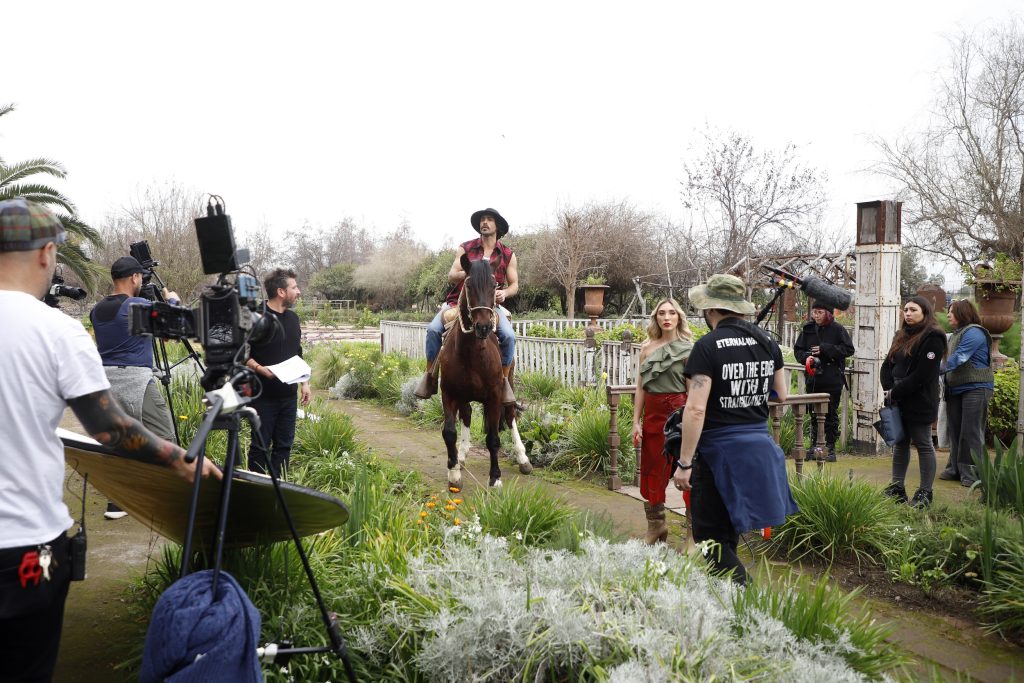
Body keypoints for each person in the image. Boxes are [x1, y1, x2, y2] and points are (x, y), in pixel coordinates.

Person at [0, 198, 220, 682]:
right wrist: (180, 460)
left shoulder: (97, 312)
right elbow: (111, 430)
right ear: (46, 254)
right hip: (24, 550)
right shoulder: (55, 330)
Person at [672, 274, 797, 585]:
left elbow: (696, 408)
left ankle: (747, 598)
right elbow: (781, 395)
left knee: (709, 539)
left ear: (710, 309)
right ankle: (728, 603)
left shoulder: (707, 346)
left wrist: (684, 463)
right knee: (728, 534)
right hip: (758, 449)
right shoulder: (768, 342)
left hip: (720, 454)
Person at [90, 255, 180, 519]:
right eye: (140, 277)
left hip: (106, 381)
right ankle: (167, 495)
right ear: (134, 278)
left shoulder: (96, 310)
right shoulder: (137, 305)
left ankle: (117, 503)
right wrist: (171, 299)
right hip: (136, 380)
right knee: (165, 436)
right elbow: (172, 324)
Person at [414, 208, 519, 404]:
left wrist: (504, 293)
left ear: (498, 226)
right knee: (433, 330)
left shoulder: (507, 254)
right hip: (458, 303)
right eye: (482, 220)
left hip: (489, 307)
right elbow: (452, 275)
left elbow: (515, 285)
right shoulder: (466, 248)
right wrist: (473, 273)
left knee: (509, 336)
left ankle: (504, 381)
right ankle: (430, 376)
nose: (484, 222)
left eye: (489, 220)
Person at [631, 299, 694, 544]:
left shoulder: (688, 349)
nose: (666, 317)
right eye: (661, 313)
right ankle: (656, 527)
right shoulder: (646, 347)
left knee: (687, 468)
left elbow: (692, 390)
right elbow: (640, 387)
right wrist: (636, 421)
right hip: (653, 416)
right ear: (656, 318)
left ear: (679, 317)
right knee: (651, 469)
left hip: (679, 413)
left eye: (671, 313)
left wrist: (691, 421)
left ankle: (692, 533)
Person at [880, 296, 947, 508]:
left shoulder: (933, 337)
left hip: (920, 398)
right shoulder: (900, 335)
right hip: (898, 396)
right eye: (906, 310)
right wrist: (888, 387)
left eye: (913, 310)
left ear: (924, 312)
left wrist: (896, 391)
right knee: (900, 443)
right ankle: (897, 488)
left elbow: (923, 375)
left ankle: (925, 493)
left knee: (923, 443)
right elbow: (887, 365)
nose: (908, 313)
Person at [245, 267, 311, 477]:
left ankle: (277, 491)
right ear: (281, 292)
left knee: (284, 446)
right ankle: (256, 491)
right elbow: (240, 353)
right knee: (260, 447)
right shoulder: (255, 317)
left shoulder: (293, 319)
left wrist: (305, 382)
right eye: (294, 287)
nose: (298, 291)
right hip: (262, 396)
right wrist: (258, 368)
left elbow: (296, 352)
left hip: (288, 397)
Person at [938, 299, 994, 487]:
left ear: (963, 313)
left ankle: (972, 474)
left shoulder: (975, 332)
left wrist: (930, 370)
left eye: (952, 312)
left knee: (970, 432)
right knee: (955, 430)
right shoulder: (955, 334)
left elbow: (959, 357)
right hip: (955, 388)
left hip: (976, 387)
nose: (948, 315)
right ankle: (955, 469)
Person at [793, 301, 855, 461]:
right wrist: (807, 358)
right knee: (814, 414)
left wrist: (825, 349)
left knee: (830, 414)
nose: (816, 316)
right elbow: (798, 350)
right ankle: (815, 447)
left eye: (819, 312)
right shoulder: (808, 329)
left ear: (827, 313)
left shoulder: (838, 329)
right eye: (814, 312)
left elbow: (848, 350)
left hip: (832, 378)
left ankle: (830, 449)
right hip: (813, 378)